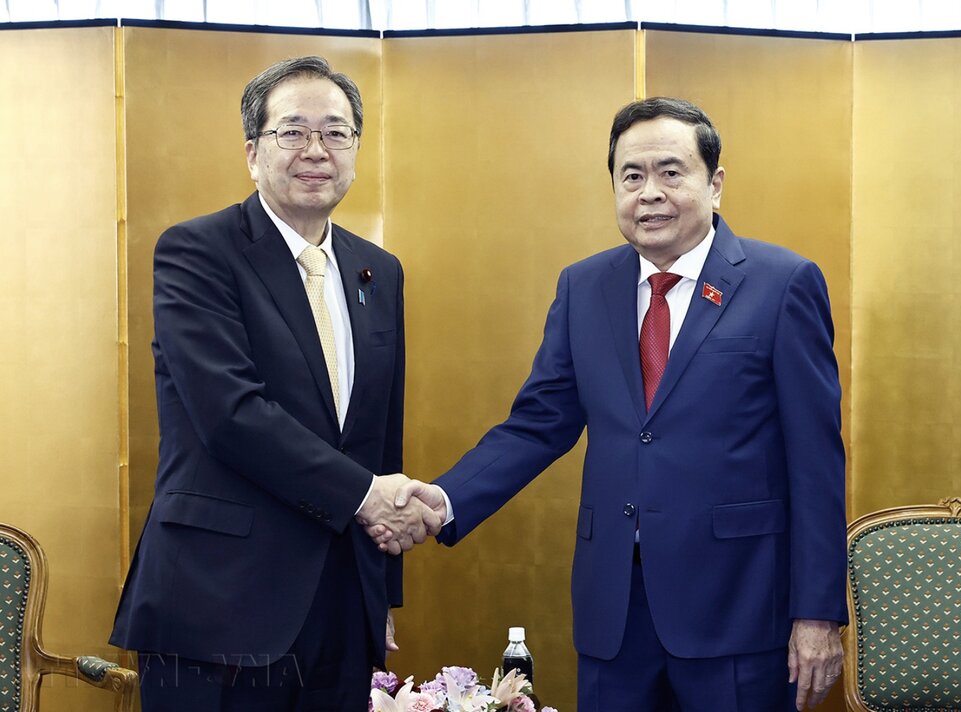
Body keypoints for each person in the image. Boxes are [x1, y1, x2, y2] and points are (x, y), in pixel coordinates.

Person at [375, 97, 847, 710]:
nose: (649, 193)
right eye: (632, 176)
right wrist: (443, 501)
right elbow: (539, 424)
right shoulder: (584, 286)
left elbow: (817, 462)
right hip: (614, 616)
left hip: (738, 610)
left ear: (716, 183)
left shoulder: (782, 283)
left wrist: (816, 613)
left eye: (671, 172)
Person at [110, 56, 440, 712]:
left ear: (356, 150)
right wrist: (367, 498)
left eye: (336, 133)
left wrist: (380, 593)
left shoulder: (379, 271)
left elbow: (377, 438)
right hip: (216, 606)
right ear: (252, 152)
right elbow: (230, 415)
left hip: (341, 609)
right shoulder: (198, 252)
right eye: (293, 131)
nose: (316, 149)